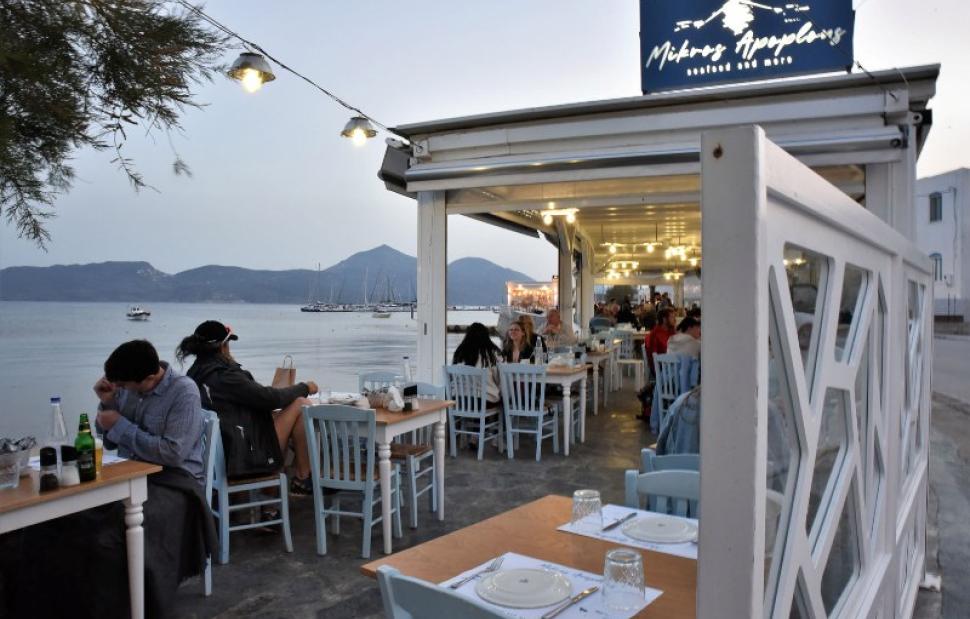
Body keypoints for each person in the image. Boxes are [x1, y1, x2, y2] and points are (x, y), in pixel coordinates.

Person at [2, 340, 215, 619]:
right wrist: (107, 402)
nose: (121, 389)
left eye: (124, 386)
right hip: (129, 471)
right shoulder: (126, 389)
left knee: (108, 539)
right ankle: (56, 601)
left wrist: (120, 424)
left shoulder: (183, 392)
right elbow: (108, 440)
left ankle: (121, 607)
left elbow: (173, 453)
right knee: (65, 521)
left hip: (175, 481)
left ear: (149, 378)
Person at [177, 320, 318, 495]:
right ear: (223, 347)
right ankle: (302, 478)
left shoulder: (194, 373)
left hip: (217, 455)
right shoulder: (225, 376)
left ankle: (271, 501)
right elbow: (270, 399)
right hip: (240, 457)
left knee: (277, 417)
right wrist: (305, 387)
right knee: (301, 404)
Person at [452, 322, 502, 404]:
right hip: (482, 400)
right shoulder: (492, 354)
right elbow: (499, 379)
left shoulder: (459, 352)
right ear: (486, 336)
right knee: (502, 400)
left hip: (458, 399)